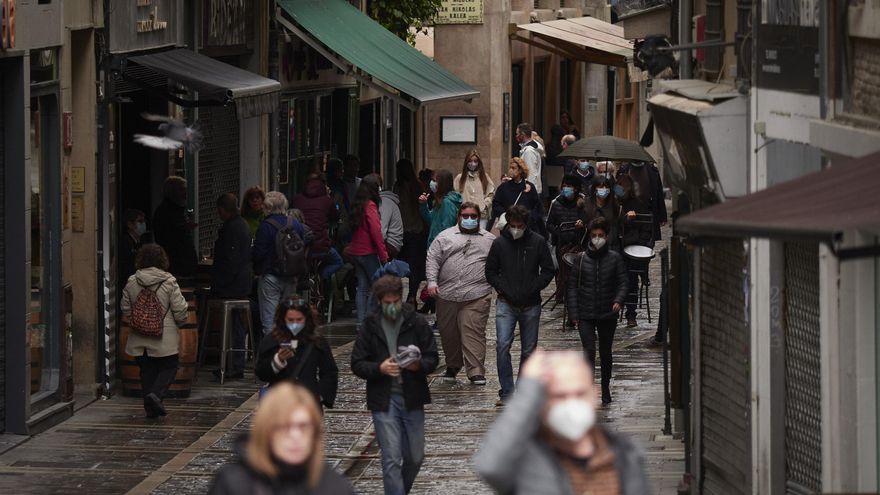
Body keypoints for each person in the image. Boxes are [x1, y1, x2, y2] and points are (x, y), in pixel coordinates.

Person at [474, 350, 648, 494]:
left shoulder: (624, 454)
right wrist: (527, 390)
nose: (571, 403)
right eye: (560, 396)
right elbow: (490, 466)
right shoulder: (526, 460)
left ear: (594, 395)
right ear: (544, 402)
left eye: (579, 394)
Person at [350, 275, 439, 495]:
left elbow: (433, 357)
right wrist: (379, 368)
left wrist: (417, 365)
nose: (392, 307)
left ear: (401, 299)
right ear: (379, 302)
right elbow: (357, 363)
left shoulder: (416, 322)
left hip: (412, 397)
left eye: (395, 302)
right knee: (391, 458)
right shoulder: (370, 326)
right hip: (384, 399)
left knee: (415, 457)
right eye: (386, 303)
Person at [207, 382, 355, 495]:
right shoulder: (234, 483)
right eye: (284, 427)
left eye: (303, 427)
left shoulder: (335, 486)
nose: (295, 436)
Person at [485, 205, 555, 405]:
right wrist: (502, 288)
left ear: (526, 225)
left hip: (531, 303)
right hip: (506, 303)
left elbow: (548, 270)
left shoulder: (538, 242)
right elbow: (490, 271)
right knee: (502, 346)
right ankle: (507, 392)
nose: (516, 229)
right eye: (513, 225)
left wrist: (534, 287)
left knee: (528, 350)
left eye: (520, 226)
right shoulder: (499, 244)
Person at [425, 202, 495, 385]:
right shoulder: (445, 237)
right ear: (459, 217)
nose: (469, 219)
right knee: (449, 333)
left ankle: (476, 370)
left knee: (473, 331)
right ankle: (453, 365)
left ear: (479, 218)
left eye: (473, 216)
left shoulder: (489, 240)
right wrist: (431, 282)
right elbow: (433, 259)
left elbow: (498, 263)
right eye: (466, 216)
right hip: (446, 294)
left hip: (477, 294)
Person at [120, 244, 189, 418]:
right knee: (170, 366)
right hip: (164, 336)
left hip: (139, 334)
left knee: (146, 369)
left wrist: (138, 319)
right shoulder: (169, 281)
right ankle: (156, 395)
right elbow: (179, 309)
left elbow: (125, 308)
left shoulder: (132, 281)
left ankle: (150, 408)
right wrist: (180, 322)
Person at [567, 217, 628, 404]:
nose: (597, 238)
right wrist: (574, 314)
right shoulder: (581, 258)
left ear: (607, 236)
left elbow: (623, 282)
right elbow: (572, 287)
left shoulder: (615, 258)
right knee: (589, 350)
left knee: (606, 352)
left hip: (607, 312)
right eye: (594, 235)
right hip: (585, 313)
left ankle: (605, 386)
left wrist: (618, 300)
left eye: (600, 235)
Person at [255, 298, 338, 409]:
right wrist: (277, 361)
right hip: (279, 405)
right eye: (290, 320)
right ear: (283, 319)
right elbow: (261, 373)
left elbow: (330, 371)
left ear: (306, 319)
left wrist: (320, 395)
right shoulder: (272, 340)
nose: (295, 324)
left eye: (299, 320)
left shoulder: (317, 341)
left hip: (308, 404)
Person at [253, 191, 311, 336]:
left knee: (270, 321)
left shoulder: (266, 226)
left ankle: (273, 354)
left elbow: (258, 253)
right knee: (288, 318)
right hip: (291, 276)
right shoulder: (295, 224)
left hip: (270, 276)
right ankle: (288, 353)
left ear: (268, 207)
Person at [211, 193, 254, 380]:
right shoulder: (241, 225)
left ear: (222, 210)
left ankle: (234, 365)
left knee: (236, 326)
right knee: (236, 325)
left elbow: (232, 261)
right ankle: (233, 364)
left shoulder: (233, 228)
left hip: (233, 286)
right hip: (240, 283)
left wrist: (220, 283)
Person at [347, 180, 389, 325]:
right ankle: (371, 319)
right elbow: (376, 231)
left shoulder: (357, 204)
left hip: (356, 251)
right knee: (376, 285)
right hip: (368, 251)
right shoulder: (370, 206)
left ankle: (361, 322)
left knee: (362, 287)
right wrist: (383, 255)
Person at [546, 175, 588, 310]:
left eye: (569, 186)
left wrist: (582, 225)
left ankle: (574, 296)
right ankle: (561, 293)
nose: (566, 189)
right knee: (561, 270)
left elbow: (587, 221)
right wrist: (559, 231)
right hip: (561, 243)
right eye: (564, 186)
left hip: (578, 243)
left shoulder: (582, 203)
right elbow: (549, 224)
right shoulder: (556, 203)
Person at [617, 174, 654, 328]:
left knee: (631, 281)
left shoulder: (638, 204)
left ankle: (631, 313)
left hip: (632, 247)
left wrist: (641, 243)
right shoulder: (614, 204)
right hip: (617, 246)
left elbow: (646, 227)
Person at [291, 173, 343, 282]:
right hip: (321, 246)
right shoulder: (326, 200)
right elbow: (335, 216)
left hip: (301, 246)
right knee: (337, 261)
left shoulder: (297, 199)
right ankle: (322, 277)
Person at [393, 159, 428, 306]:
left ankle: (395, 296)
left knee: (398, 265)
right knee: (415, 266)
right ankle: (412, 296)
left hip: (401, 230)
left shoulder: (398, 187)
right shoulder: (417, 186)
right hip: (416, 230)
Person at [152, 176, 198, 278]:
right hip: (175, 267)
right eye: (182, 190)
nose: (185, 194)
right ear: (172, 191)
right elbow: (168, 238)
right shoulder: (165, 212)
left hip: (183, 266)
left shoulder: (179, 210)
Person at [490, 157, 544, 235]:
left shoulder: (529, 187)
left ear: (520, 170)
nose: (510, 170)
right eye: (510, 168)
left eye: (513, 168)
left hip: (526, 227)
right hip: (508, 227)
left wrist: (530, 219)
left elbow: (537, 206)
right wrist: (505, 215)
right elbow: (496, 204)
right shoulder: (503, 187)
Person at [419, 168, 463, 248]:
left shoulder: (447, 203)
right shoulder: (440, 201)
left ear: (442, 183)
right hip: (436, 245)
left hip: (441, 247)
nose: (431, 183)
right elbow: (431, 220)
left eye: (435, 181)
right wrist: (423, 205)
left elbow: (446, 228)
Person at [363, 173, 404, 258]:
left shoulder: (384, 202)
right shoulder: (373, 202)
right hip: (383, 241)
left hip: (391, 244)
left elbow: (381, 232)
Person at [453, 150, 496, 230]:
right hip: (464, 214)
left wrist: (485, 204)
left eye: (475, 161)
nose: (473, 163)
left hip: (481, 215)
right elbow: (455, 194)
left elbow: (491, 193)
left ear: (479, 162)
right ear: (466, 162)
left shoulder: (484, 177)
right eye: (470, 161)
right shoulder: (460, 178)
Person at [584, 176, 621, 252]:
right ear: (595, 189)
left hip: (611, 246)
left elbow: (619, 222)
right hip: (592, 245)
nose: (604, 189)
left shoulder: (614, 204)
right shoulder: (587, 204)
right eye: (601, 187)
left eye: (606, 187)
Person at [119, 208, 147, 284]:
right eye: (140, 221)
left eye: (144, 221)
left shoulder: (139, 242)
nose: (143, 224)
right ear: (130, 224)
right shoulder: (125, 242)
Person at [515, 123, 543, 195]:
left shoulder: (529, 152)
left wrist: (529, 191)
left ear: (523, 134)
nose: (516, 136)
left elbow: (531, 173)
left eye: (517, 134)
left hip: (530, 191)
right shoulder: (528, 149)